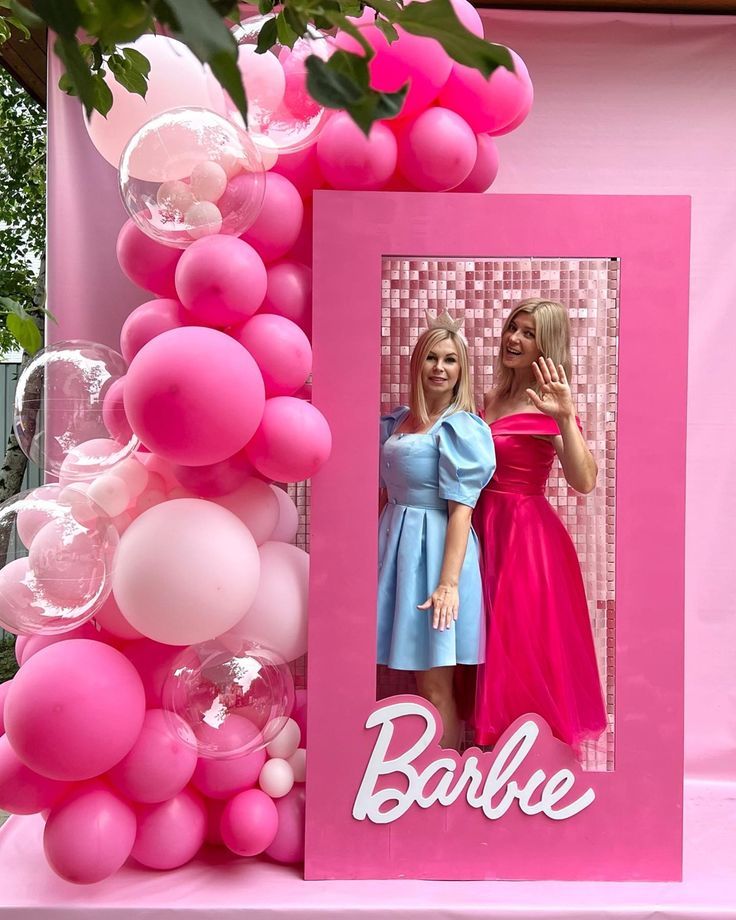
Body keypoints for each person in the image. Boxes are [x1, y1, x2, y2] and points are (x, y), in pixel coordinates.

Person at [474, 298, 607, 752]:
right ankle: (488, 761)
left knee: (521, 644)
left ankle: (528, 759)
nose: (514, 338)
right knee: (482, 640)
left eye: (528, 333)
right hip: (479, 528)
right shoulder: (489, 398)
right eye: (514, 326)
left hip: (525, 538)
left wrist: (565, 418)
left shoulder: (549, 404)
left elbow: (584, 481)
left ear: (545, 346)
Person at [377, 312, 495, 750]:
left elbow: (462, 509)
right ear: (417, 365)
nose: (440, 368)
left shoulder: (460, 429)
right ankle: (427, 776)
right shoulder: (399, 421)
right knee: (412, 680)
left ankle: (445, 780)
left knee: (434, 684)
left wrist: (448, 585)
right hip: (398, 548)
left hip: (437, 552)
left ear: (461, 370)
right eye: (431, 357)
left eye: (450, 360)